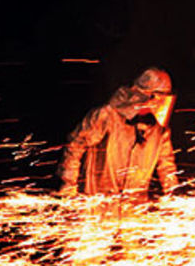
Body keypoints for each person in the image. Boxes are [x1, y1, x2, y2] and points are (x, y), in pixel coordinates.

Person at [57, 66, 179, 198]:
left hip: (133, 207)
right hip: (97, 202)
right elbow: (75, 147)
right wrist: (68, 185)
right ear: (145, 96)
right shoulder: (107, 117)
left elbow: (166, 166)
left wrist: (172, 194)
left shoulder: (159, 130)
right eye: (160, 98)